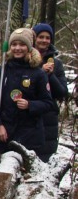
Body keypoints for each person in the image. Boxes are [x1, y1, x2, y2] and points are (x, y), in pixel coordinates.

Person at [0, 28, 54, 169]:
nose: (17, 48)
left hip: (30, 137)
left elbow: (48, 103)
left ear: (29, 47)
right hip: (4, 135)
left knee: (24, 183)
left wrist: (30, 105)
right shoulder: (3, 71)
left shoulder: (38, 73)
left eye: (22, 45)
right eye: (14, 44)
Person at [32, 23, 69, 162]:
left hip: (49, 119)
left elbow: (62, 92)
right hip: (28, 115)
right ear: (34, 39)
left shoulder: (57, 64)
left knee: (44, 159)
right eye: (41, 37)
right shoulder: (25, 59)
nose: (44, 40)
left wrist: (50, 75)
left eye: (47, 38)